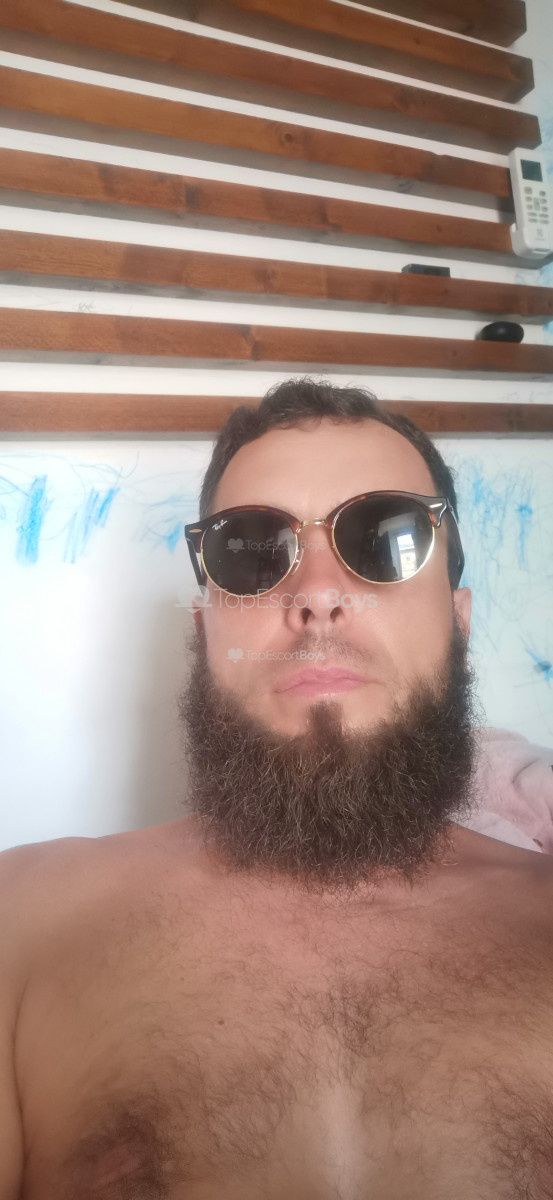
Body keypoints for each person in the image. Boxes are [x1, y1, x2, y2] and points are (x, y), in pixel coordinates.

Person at [2, 378, 553, 1200]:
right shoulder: (22, 920)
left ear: (458, 616)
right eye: (253, 550)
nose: (318, 595)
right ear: (204, 631)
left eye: (385, 538)